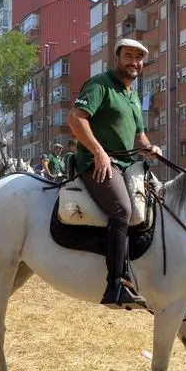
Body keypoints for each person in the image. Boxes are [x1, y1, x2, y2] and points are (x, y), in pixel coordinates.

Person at [66, 37, 161, 310]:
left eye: (139, 58)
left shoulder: (132, 95)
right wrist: (98, 152)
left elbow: (139, 136)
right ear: (117, 58)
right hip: (94, 164)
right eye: (128, 56)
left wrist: (149, 147)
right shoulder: (100, 84)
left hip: (123, 165)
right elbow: (76, 118)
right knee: (122, 210)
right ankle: (115, 286)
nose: (134, 62)